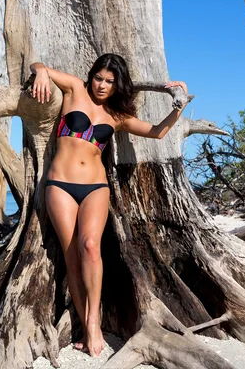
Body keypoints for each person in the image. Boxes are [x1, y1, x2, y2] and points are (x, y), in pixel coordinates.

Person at [29, 54, 188, 357]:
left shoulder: (117, 116)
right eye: (99, 78)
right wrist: (39, 75)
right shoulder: (74, 89)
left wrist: (179, 106)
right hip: (59, 185)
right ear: (91, 76)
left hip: (95, 187)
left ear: (118, 86)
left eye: (110, 81)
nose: (102, 85)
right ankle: (84, 319)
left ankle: (93, 324)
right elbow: (40, 66)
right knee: (71, 255)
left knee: (90, 246)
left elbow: (158, 131)